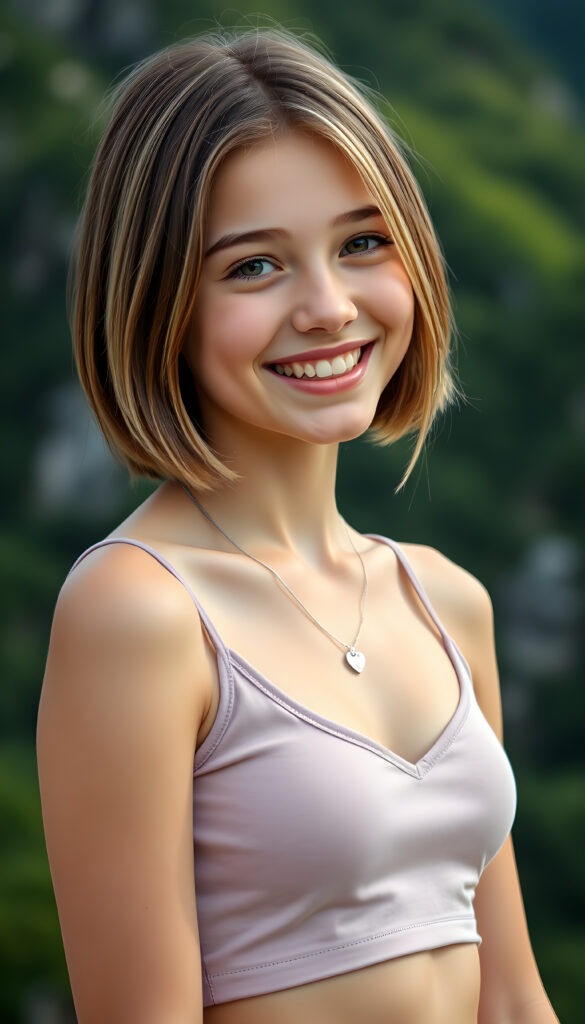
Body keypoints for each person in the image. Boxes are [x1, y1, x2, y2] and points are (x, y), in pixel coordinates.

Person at [36, 28, 560, 1024]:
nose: (328, 308)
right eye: (254, 267)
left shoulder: (447, 600)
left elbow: (513, 996)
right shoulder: (139, 614)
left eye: (363, 243)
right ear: (160, 305)